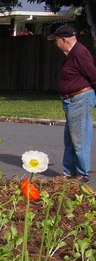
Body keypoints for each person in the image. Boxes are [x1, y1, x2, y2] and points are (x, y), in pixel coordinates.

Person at [48, 24, 95, 183]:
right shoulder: (72, 54)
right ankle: (69, 172)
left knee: (80, 139)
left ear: (63, 39)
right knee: (70, 140)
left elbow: (94, 76)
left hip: (80, 100)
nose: (55, 43)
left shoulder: (80, 53)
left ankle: (83, 174)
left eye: (56, 40)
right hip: (72, 101)